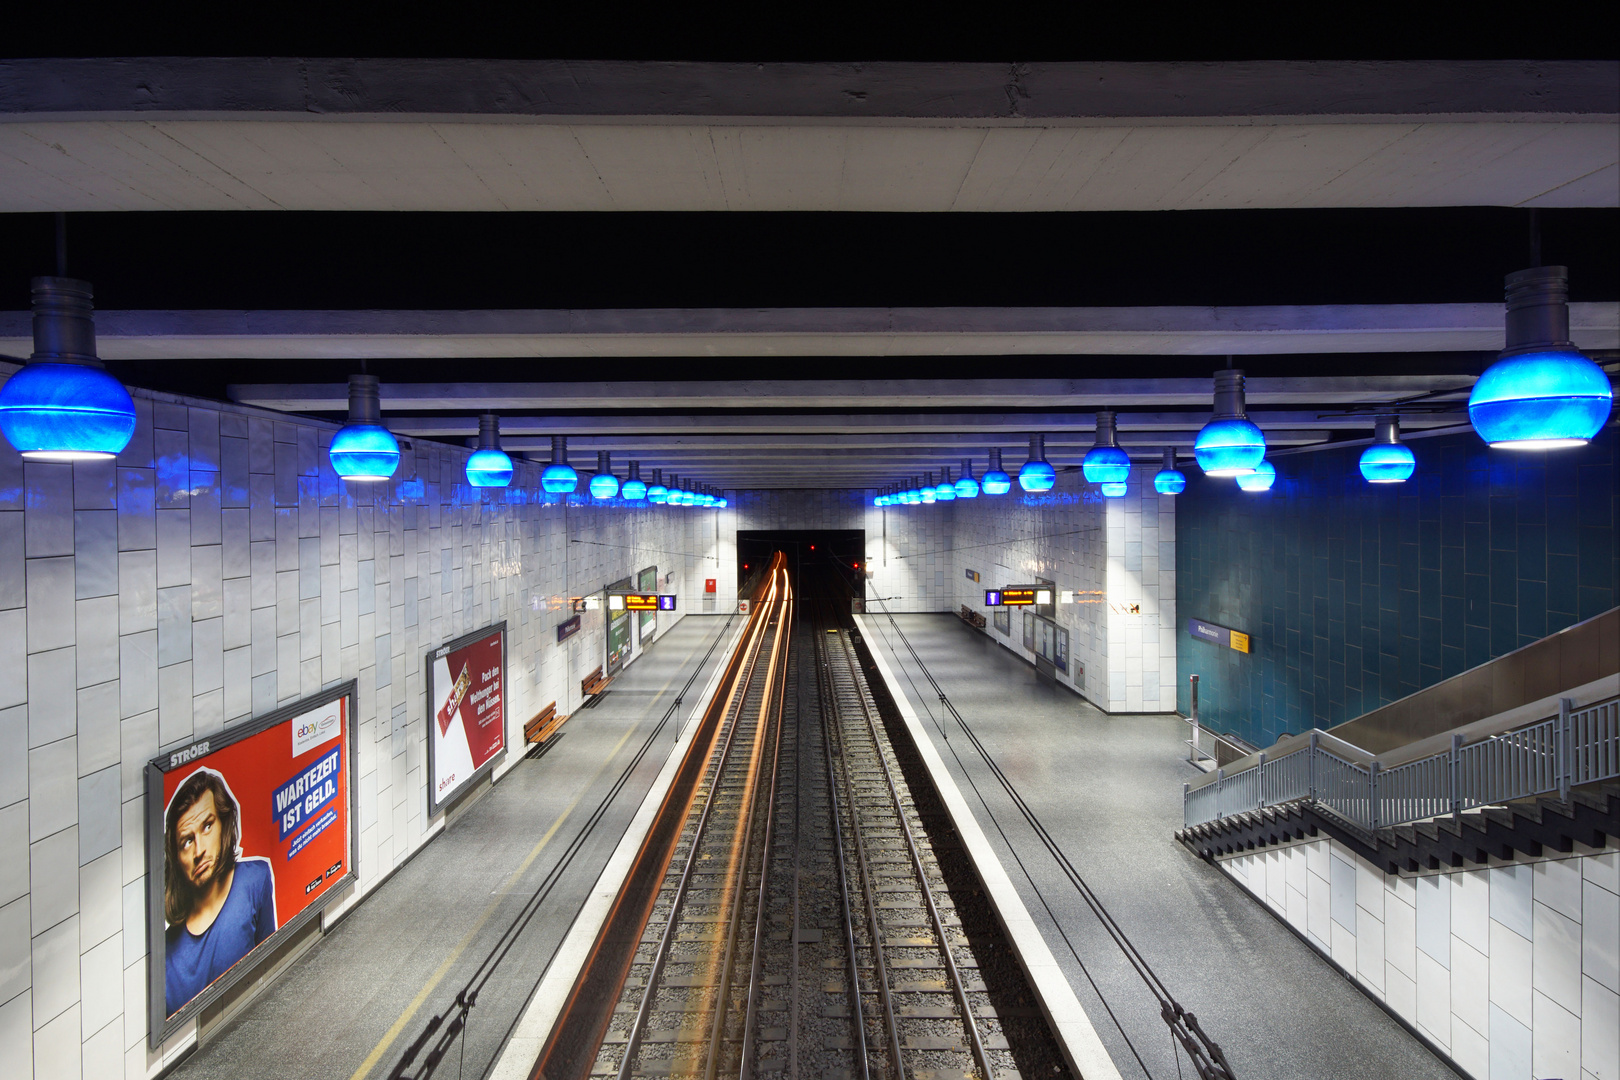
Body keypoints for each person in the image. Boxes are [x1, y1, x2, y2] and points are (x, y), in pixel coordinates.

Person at [163, 768, 277, 1015]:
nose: (199, 851)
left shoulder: (255, 879)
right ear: (176, 857)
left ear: (224, 823)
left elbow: (270, 961)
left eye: (207, 826)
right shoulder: (167, 957)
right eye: (187, 841)